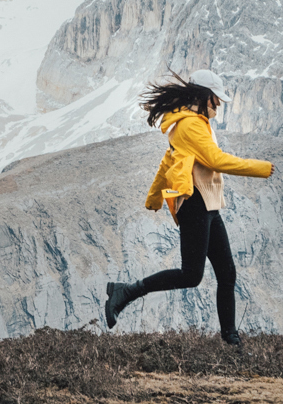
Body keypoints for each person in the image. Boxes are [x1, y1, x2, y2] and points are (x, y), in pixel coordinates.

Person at [102, 69, 274, 346]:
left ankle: (232, 341)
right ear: (203, 96)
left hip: (207, 204)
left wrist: (154, 197)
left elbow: (169, 161)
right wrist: (260, 168)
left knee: (227, 273)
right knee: (191, 275)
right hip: (195, 204)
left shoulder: (193, 122)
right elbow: (216, 160)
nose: (217, 105)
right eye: (215, 99)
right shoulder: (190, 125)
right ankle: (125, 293)